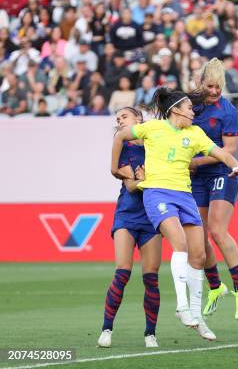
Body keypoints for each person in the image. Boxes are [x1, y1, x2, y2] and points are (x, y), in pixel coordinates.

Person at [111, 88, 238, 341]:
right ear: (176, 111)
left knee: (199, 253)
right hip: (158, 194)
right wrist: (114, 167)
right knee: (181, 245)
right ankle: (182, 306)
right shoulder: (153, 128)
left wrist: (234, 166)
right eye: (189, 109)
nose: (193, 112)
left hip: (185, 196)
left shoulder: (195, 133)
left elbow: (222, 152)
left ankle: (197, 315)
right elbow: (120, 136)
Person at [188, 58, 238, 319]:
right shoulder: (190, 104)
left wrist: (196, 161)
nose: (215, 91)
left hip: (223, 172)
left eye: (219, 86)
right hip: (196, 177)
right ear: (200, 83)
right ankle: (215, 287)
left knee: (217, 230)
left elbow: (230, 150)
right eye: (210, 86)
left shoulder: (227, 111)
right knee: (198, 239)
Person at [98, 107, 162, 349]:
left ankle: (150, 334)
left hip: (152, 216)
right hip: (127, 215)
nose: (119, 120)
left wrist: (145, 177)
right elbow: (133, 186)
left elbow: (147, 179)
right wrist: (147, 178)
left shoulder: (155, 145)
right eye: (117, 119)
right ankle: (106, 328)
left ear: (139, 120)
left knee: (151, 277)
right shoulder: (123, 148)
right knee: (122, 271)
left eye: (124, 116)